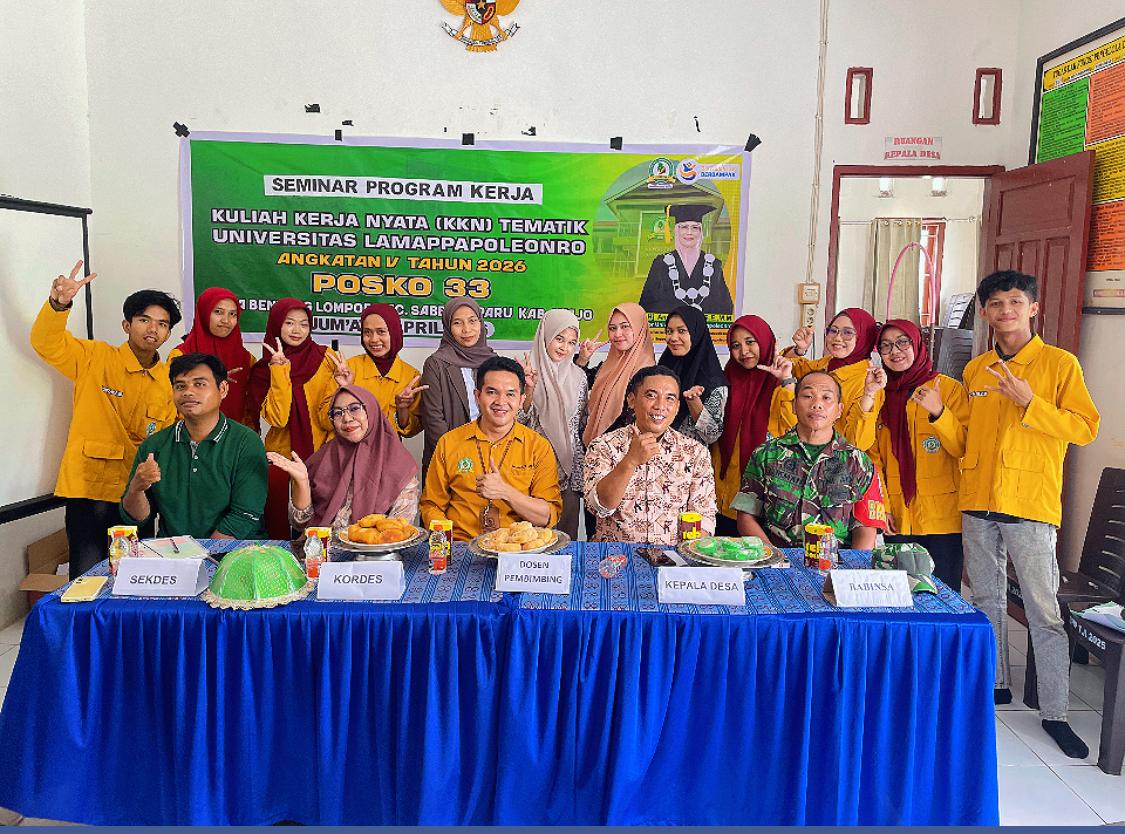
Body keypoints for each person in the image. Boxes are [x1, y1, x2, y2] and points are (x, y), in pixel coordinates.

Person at [960, 270, 1099, 759]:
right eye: (996, 304)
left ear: (1033, 308)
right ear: (984, 312)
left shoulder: (1059, 365)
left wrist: (1031, 403)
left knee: (1043, 611)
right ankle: (995, 683)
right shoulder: (976, 370)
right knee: (986, 599)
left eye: (1015, 302)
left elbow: (1085, 428)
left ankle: (1056, 713)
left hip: (1030, 503)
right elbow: (964, 435)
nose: (1006, 311)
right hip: (978, 500)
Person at [31, 261, 181, 577]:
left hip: (137, 496)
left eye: (162, 324)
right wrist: (59, 305)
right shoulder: (94, 358)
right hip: (89, 490)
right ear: (127, 325)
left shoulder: (168, 382)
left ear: (168, 333)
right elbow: (47, 344)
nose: (153, 329)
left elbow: (165, 442)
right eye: (144, 320)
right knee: (87, 578)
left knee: (134, 578)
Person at [120, 353, 267, 539]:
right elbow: (138, 519)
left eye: (199, 384)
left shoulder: (246, 442)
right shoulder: (155, 445)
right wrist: (136, 489)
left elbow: (243, 516)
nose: (188, 392)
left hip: (237, 551)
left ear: (223, 389)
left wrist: (200, 554)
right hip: (173, 551)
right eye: (180, 386)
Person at [869, 319, 968, 587]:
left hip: (943, 518)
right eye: (886, 346)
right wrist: (882, 508)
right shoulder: (880, 395)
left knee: (945, 593)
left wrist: (939, 412)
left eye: (903, 342)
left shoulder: (948, 389)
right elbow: (874, 458)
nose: (895, 351)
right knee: (901, 593)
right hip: (898, 516)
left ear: (917, 345)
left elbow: (962, 448)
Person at [420, 356, 561, 541]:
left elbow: (547, 516)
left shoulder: (538, 447)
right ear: (477, 396)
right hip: (462, 546)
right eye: (492, 392)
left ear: (521, 400)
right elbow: (431, 506)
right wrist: (447, 546)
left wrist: (506, 492)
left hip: (515, 548)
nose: (501, 401)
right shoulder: (449, 442)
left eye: (510, 394)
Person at [733, 371, 878, 550]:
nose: (817, 404)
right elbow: (746, 515)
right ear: (794, 405)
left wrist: (853, 566)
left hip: (837, 561)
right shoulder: (766, 454)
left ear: (839, 410)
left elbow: (866, 526)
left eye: (826, 397)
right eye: (808, 396)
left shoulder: (858, 462)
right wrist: (772, 556)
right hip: (777, 557)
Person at [583, 366, 717, 545]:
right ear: (632, 400)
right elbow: (599, 506)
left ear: (677, 407)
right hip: (615, 556)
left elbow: (704, 515)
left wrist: (687, 555)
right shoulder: (603, 446)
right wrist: (630, 461)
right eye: (651, 395)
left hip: (673, 557)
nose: (660, 406)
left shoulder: (695, 452)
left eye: (670, 398)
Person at [267, 385, 419, 533]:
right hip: (322, 546)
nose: (346, 418)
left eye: (354, 408)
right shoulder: (322, 459)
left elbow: (398, 532)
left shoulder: (400, 465)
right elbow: (300, 525)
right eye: (338, 413)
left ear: (371, 411)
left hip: (375, 549)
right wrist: (302, 482)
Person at [247, 298, 336, 538]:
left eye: (304, 324)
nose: (297, 330)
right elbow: (278, 418)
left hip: (323, 456)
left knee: (320, 530)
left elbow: (329, 419)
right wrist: (279, 370)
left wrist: (341, 385)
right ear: (276, 324)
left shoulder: (326, 358)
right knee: (281, 528)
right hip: (282, 460)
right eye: (289, 323)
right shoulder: (263, 370)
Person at [713, 315, 798, 536]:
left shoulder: (781, 385)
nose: (744, 351)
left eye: (750, 342)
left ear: (765, 341)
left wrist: (786, 381)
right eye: (735, 345)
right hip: (724, 495)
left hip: (765, 494)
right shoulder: (726, 378)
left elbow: (795, 428)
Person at [517, 310, 588, 539]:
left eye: (571, 342)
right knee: (531, 537)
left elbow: (580, 423)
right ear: (545, 335)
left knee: (567, 537)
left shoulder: (579, 377)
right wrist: (528, 388)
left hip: (569, 467)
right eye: (559, 338)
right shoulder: (525, 372)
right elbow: (518, 423)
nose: (564, 347)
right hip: (533, 466)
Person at [786, 307, 886, 450]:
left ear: (864, 337)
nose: (838, 338)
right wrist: (799, 350)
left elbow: (857, 443)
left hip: (839, 459)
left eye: (848, 333)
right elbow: (787, 369)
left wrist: (869, 394)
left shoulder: (869, 381)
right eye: (833, 331)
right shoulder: (826, 364)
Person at [322, 303, 425, 440]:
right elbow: (324, 422)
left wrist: (402, 409)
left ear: (394, 333)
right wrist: (346, 390)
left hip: (387, 451)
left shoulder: (411, 376)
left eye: (381, 331)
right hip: (345, 450)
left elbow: (412, 431)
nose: (374, 339)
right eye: (367, 332)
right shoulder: (348, 369)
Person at [419, 298, 496, 475]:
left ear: (481, 323)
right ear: (448, 327)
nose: (466, 329)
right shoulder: (435, 364)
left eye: (472, 321)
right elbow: (434, 420)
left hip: (489, 458)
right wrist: (460, 461)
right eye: (457, 323)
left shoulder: (493, 362)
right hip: (449, 461)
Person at [169, 287, 255, 425]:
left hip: (235, 434)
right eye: (218, 312)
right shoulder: (180, 355)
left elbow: (249, 407)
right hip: (190, 433)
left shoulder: (246, 359)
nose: (226, 320)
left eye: (232, 314)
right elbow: (170, 404)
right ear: (204, 313)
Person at [638, 203, 734, 316]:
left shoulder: (714, 265)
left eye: (695, 228)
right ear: (676, 231)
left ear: (701, 232)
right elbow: (647, 305)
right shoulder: (661, 264)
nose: (689, 232)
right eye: (684, 227)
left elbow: (725, 307)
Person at [657, 304, 728, 445]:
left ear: (696, 333)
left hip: (689, 455)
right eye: (669, 331)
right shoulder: (663, 368)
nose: (673, 337)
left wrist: (693, 402)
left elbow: (711, 435)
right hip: (654, 452)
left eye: (681, 331)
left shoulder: (712, 380)